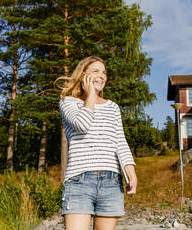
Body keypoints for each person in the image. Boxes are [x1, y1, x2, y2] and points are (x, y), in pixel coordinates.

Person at [58, 56, 137, 230]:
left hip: (111, 181)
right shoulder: (68, 102)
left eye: (104, 72)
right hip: (79, 180)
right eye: (96, 71)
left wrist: (131, 173)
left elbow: (120, 142)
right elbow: (82, 125)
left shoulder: (113, 107)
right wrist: (91, 95)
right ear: (83, 75)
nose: (102, 76)